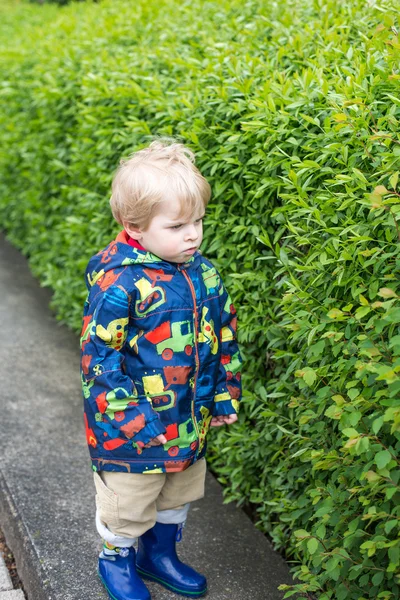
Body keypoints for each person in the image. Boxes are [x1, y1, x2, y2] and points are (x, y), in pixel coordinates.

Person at [80, 139, 242, 600]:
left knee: (178, 496)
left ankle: (160, 555)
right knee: (128, 505)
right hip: (129, 431)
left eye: (198, 221)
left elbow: (222, 336)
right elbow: (99, 360)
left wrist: (224, 394)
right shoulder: (120, 285)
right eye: (177, 225)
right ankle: (116, 559)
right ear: (133, 227)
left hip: (188, 421)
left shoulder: (203, 274)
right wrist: (131, 420)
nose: (193, 234)